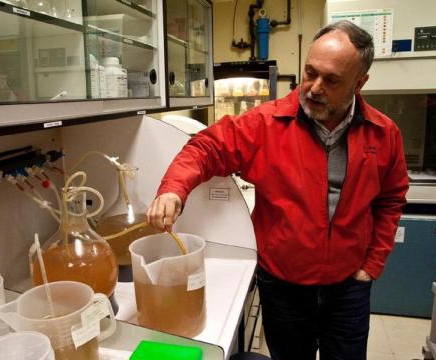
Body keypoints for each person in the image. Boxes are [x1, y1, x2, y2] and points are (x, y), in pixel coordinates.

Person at [147, 20, 409, 360]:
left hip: (348, 288)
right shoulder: (265, 124)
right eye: (310, 72)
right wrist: (173, 191)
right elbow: (205, 149)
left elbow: (391, 200)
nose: (314, 87)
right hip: (283, 287)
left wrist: (372, 264)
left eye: (331, 80)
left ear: (360, 83)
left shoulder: (383, 133)